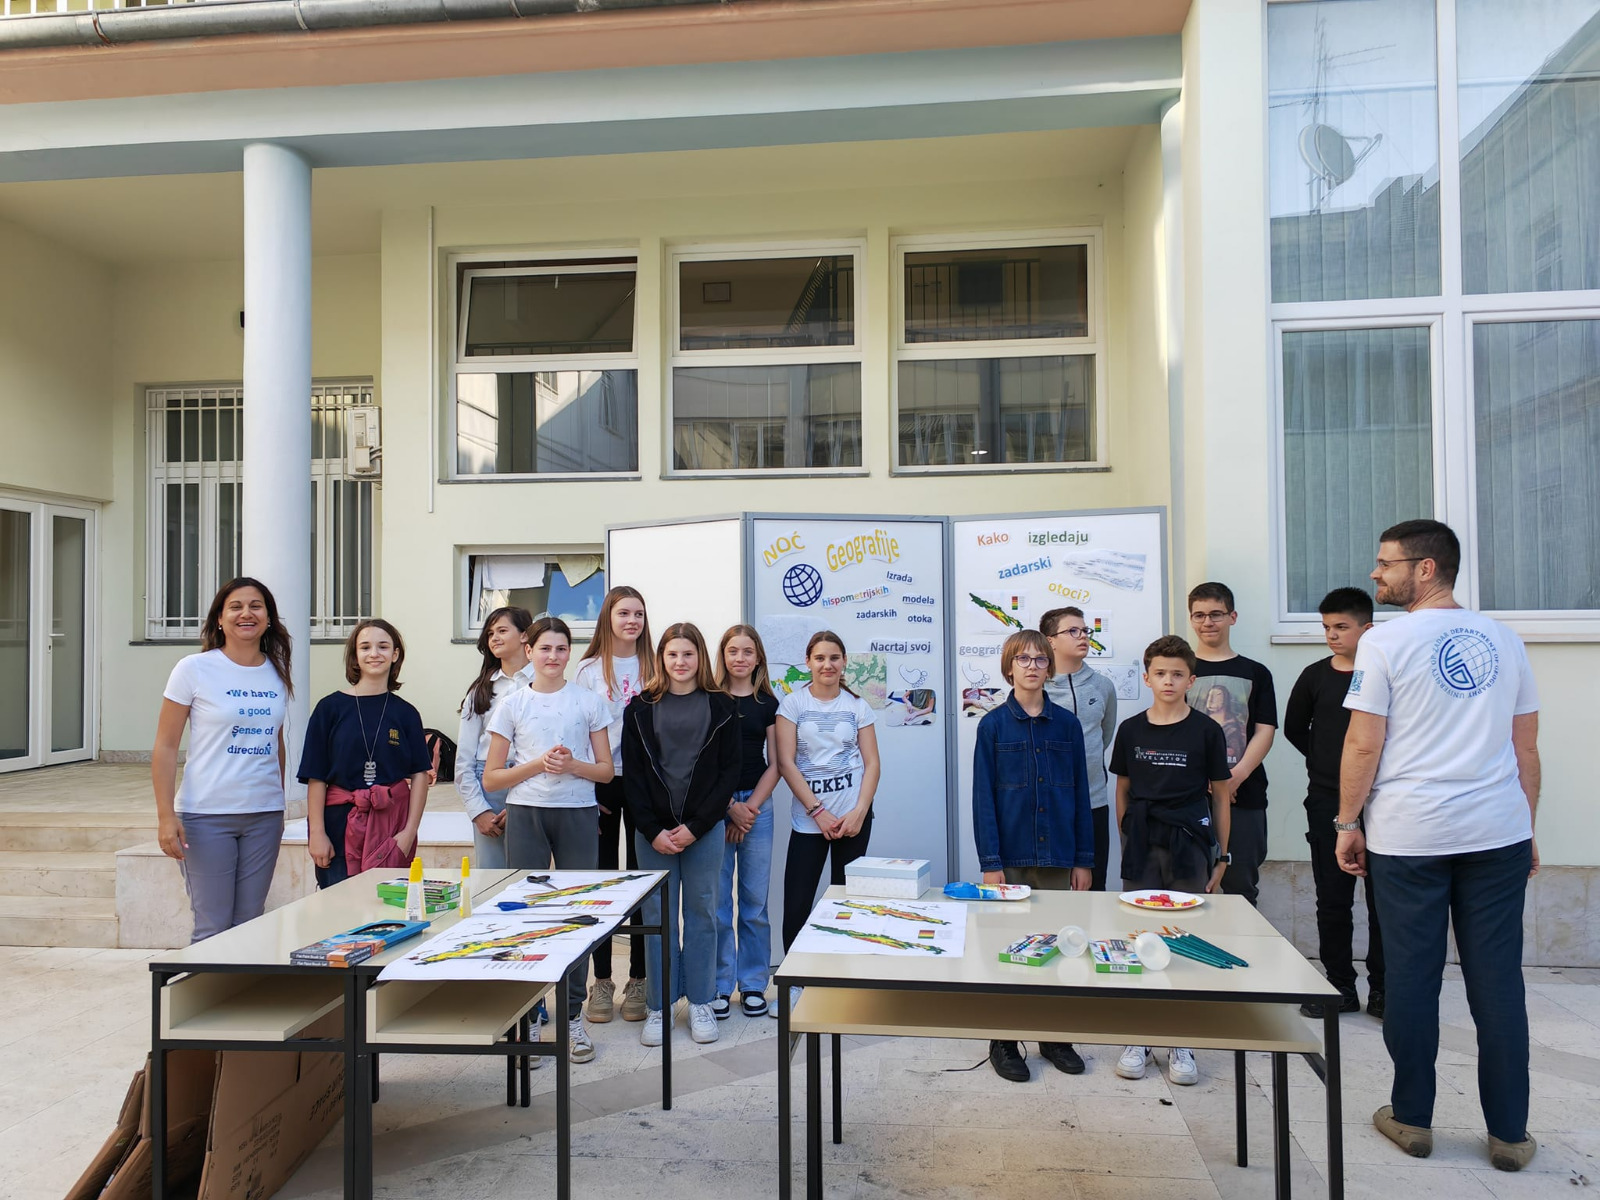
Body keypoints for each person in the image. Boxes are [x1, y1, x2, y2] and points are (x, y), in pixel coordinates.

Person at [1336, 520, 1540, 1172]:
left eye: (1385, 563)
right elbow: (1525, 747)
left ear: (1425, 569)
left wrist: (1346, 822)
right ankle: (1509, 1134)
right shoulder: (1505, 640)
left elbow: (1363, 742)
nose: (1375, 573)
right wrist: (1526, 827)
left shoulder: (1384, 641)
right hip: (1498, 832)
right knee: (1498, 981)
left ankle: (1412, 1118)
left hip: (1411, 835)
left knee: (1413, 978)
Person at [484, 615, 613, 1065]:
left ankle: (573, 1015)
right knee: (528, 916)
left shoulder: (588, 701)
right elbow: (493, 777)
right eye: (545, 648)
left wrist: (572, 766)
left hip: (577, 813)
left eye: (561, 648)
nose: (553, 656)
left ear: (569, 653)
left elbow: (605, 771)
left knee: (578, 914)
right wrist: (538, 764)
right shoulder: (512, 704)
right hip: (526, 813)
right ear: (529, 650)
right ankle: (532, 1015)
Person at [973, 629, 1094, 1083]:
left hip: (1058, 855)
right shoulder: (992, 726)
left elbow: (1081, 795)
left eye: (1039, 659)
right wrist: (991, 863)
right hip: (1011, 858)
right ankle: (1004, 1040)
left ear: (1049, 667)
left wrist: (1083, 859)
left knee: (1058, 947)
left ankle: (1054, 1035)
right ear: (1009, 668)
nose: (1031, 666)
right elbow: (983, 800)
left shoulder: (1067, 726)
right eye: (1022, 659)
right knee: (1008, 949)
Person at [1111, 634, 1233, 1087]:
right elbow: (1123, 790)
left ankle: (1182, 1039)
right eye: (1160, 673)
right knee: (1140, 936)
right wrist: (1127, 841)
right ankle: (1139, 1036)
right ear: (1147, 678)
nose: (1168, 680)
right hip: (1143, 841)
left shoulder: (1206, 731)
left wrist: (1222, 857)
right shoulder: (1131, 730)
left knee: (1185, 938)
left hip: (1191, 843)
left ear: (1191, 680)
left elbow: (1221, 796)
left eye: (1177, 674)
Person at [152, 577, 292, 943]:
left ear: (269, 618)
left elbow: (275, 742)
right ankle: (204, 982)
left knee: (250, 923)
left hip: (264, 816)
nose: (247, 613)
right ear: (219, 618)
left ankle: (238, 984)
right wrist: (166, 816)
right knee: (212, 926)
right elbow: (165, 746)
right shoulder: (194, 669)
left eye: (256, 606)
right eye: (236, 607)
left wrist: (278, 801)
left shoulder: (276, 671)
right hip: (206, 816)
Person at [622, 623, 740, 1048]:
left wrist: (696, 826)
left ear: (700, 657)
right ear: (661, 658)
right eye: (672, 654)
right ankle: (660, 1005)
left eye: (688, 654)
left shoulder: (722, 706)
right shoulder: (639, 708)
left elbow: (729, 774)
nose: (680, 662)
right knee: (658, 918)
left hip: (703, 830)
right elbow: (633, 778)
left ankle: (702, 1001)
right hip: (653, 834)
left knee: (703, 913)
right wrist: (652, 830)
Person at [1284, 587, 1385, 1020]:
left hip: (1383, 800)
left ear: (1368, 629)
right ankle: (1340, 986)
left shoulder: (1384, 674)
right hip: (1327, 800)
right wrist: (1329, 764)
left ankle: (1383, 990)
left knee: (1383, 902)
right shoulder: (1314, 676)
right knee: (1332, 899)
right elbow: (1294, 728)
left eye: (1341, 626)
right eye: (1326, 627)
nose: (1332, 635)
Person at [300, 620, 431, 888]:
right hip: (338, 827)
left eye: (383, 646)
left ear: (395, 654)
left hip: (391, 826)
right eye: (365, 647)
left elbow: (420, 774)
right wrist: (317, 833)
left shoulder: (406, 713)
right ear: (355, 655)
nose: (374, 654)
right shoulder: (329, 709)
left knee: (385, 905)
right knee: (339, 905)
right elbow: (316, 777)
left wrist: (409, 832)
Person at [574, 586, 652, 1024]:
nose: (632, 621)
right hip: (601, 783)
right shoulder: (587, 669)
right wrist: (586, 790)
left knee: (640, 881)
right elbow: (577, 731)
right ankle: (601, 981)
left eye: (638, 614)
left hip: (642, 785)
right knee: (601, 883)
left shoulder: (655, 664)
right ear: (608, 617)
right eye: (624, 613)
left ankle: (638, 979)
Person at [776, 631, 882, 953]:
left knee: (847, 904)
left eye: (834, 658)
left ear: (844, 661)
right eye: (820, 658)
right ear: (808, 662)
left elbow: (873, 764)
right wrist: (818, 812)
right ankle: (795, 976)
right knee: (797, 904)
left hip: (853, 820)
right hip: (810, 821)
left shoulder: (857, 705)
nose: (827, 665)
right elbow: (786, 763)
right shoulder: (793, 704)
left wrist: (859, 812)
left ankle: (842, 972)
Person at [1185, 582, 1277, 906]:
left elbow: (1265, 730)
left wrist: (1234, 778)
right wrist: (1208, 781)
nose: (1207, 622)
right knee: (1190, 889)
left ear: (1232, 617)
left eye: (1216, 614)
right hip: (1190, 796)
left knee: (1241, 889)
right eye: (1199, 615)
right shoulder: (1180, 670)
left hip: (1245, 795)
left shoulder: (1256, 672)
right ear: (1191, 619)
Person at [713, 624, 781, 1019]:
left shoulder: (768, 703)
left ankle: (753, 983)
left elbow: (777, 763)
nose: (740, 658)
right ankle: (720, 985)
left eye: (747, 652)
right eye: (733, 651)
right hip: (715, 809)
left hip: (757, 807)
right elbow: (701, 762)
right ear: (723, 656)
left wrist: (748, 809)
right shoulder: (709, 699)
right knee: (718, 904)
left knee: (754, 903)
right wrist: (728, 808)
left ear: (758, 659)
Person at [1040, 606, 1119, 890]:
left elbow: (1104, 736)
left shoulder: (1103, 686)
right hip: (1049, 805)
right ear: (1050, 640)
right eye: (1073, 631)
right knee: (1051, 891)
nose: (1083, 636)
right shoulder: (1038, 687)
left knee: (1093, 890)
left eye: (1085, 630)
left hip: (1093, 803)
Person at [455, 606, 535, 870]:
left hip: (533, 785)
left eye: (502, 630)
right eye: (490, 634)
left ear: (525, 635)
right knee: (491, 876)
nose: (494, 638)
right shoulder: (480, 691)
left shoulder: (544, 684)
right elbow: (464, 759)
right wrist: (478, 810)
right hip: (489, 788)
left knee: (529, 876)